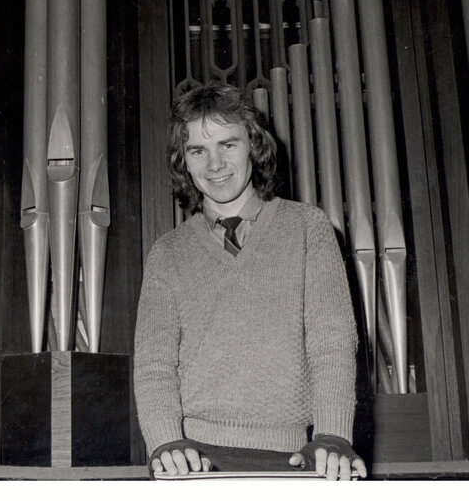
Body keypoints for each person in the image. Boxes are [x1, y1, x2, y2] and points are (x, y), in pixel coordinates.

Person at [133, 81, 367, 481]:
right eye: (198, 150)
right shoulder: (167, 253)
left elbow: (332, 342)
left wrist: (332, 434)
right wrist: (164, 442)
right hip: (193, 461)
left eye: (228, 144)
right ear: (183, 162)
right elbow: (154, 365)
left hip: (298, 456)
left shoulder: (308, 228)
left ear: (253, 146)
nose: (215, 164)